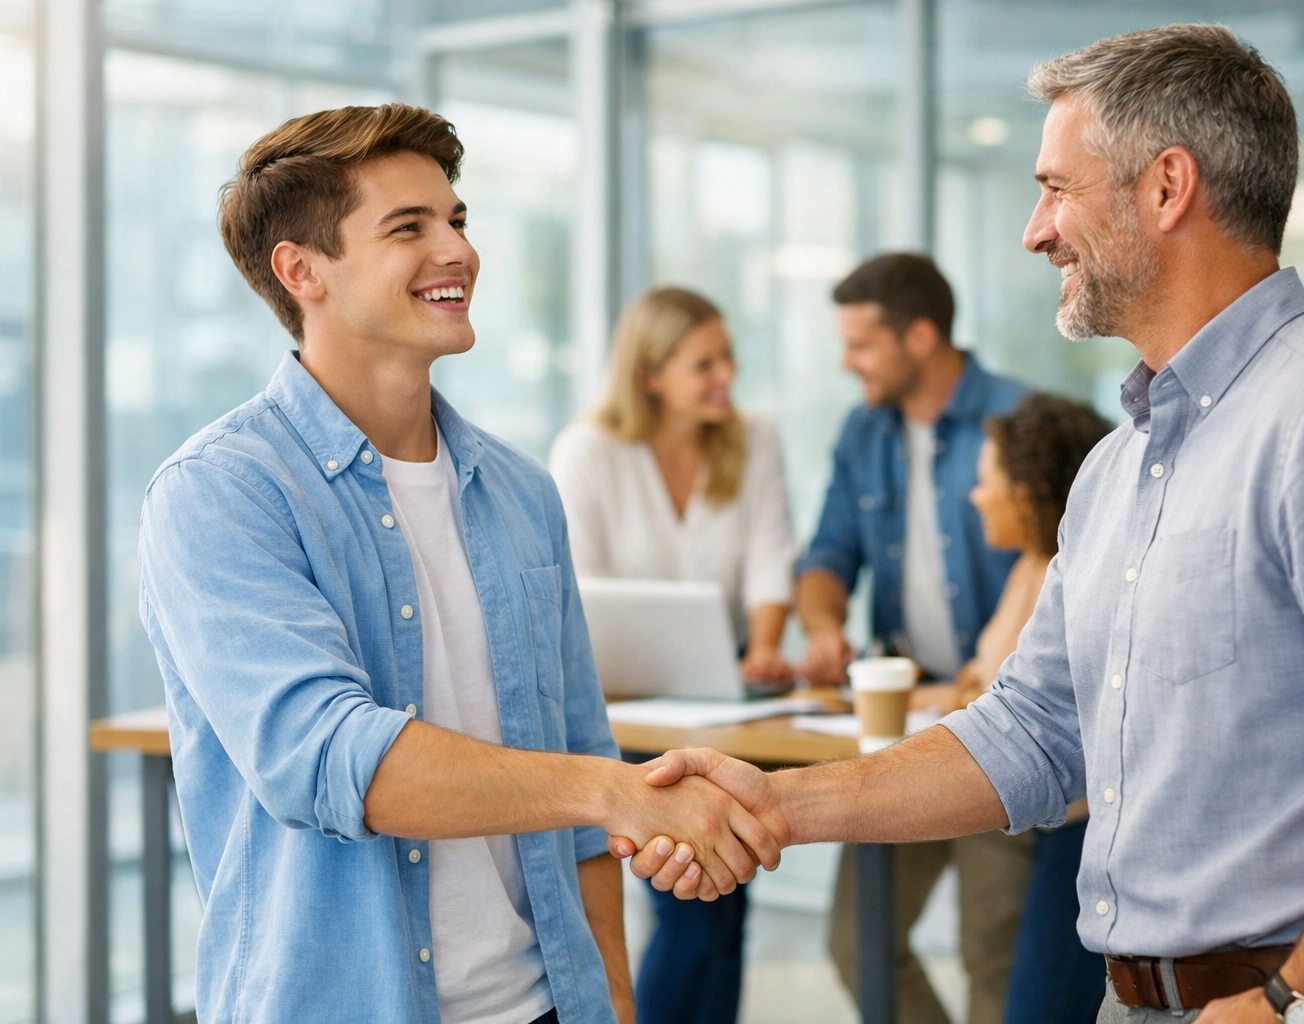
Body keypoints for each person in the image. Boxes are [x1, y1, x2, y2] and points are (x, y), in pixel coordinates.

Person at [619, 25, 1304, 1024]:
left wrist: (1298, 1003)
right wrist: (777, 803)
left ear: (1166, 187)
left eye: (1056, 186)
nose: (1034, 229)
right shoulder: (1117, 465)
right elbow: (1033, 733)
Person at [137, 104, 778, 1024]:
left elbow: (584, 776)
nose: (459, 251)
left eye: (458, 220)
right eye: (410, 227)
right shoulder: (220, 492)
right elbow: (330, 759)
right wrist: (615, 792)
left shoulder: (520, 493)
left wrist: (615, 1004)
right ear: (301, 270)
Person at [547, 286, 798, 1024]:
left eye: (727, 358)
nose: (725, 375)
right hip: (622, 719)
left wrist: (769, 644)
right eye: (704, 363)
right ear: (651, 374)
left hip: (726, 717)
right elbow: (574, 592)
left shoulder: (753, 439)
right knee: (693, 910)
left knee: (723, 906)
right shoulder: (589, 451)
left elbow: (771, 563)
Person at [796, 253, 1034, 1024]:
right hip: (907, 723)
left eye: (862, 345)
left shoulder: (1019, 422)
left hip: (1008, 719)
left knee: (992, 957)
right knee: (857, 943)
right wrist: (825, 623)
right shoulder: (864, 433)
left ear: (921, 337)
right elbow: (827, 554)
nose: (846, 363)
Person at [958, 393, 1112, 1024]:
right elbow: (983, 682)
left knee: (1033, 1000)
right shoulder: (1028, 569)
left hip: (1068, 831)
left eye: (985, 480)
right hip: (1043, 824)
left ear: (1027, 490)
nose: (974, 496)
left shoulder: (1064, 572)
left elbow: (1027, 711)